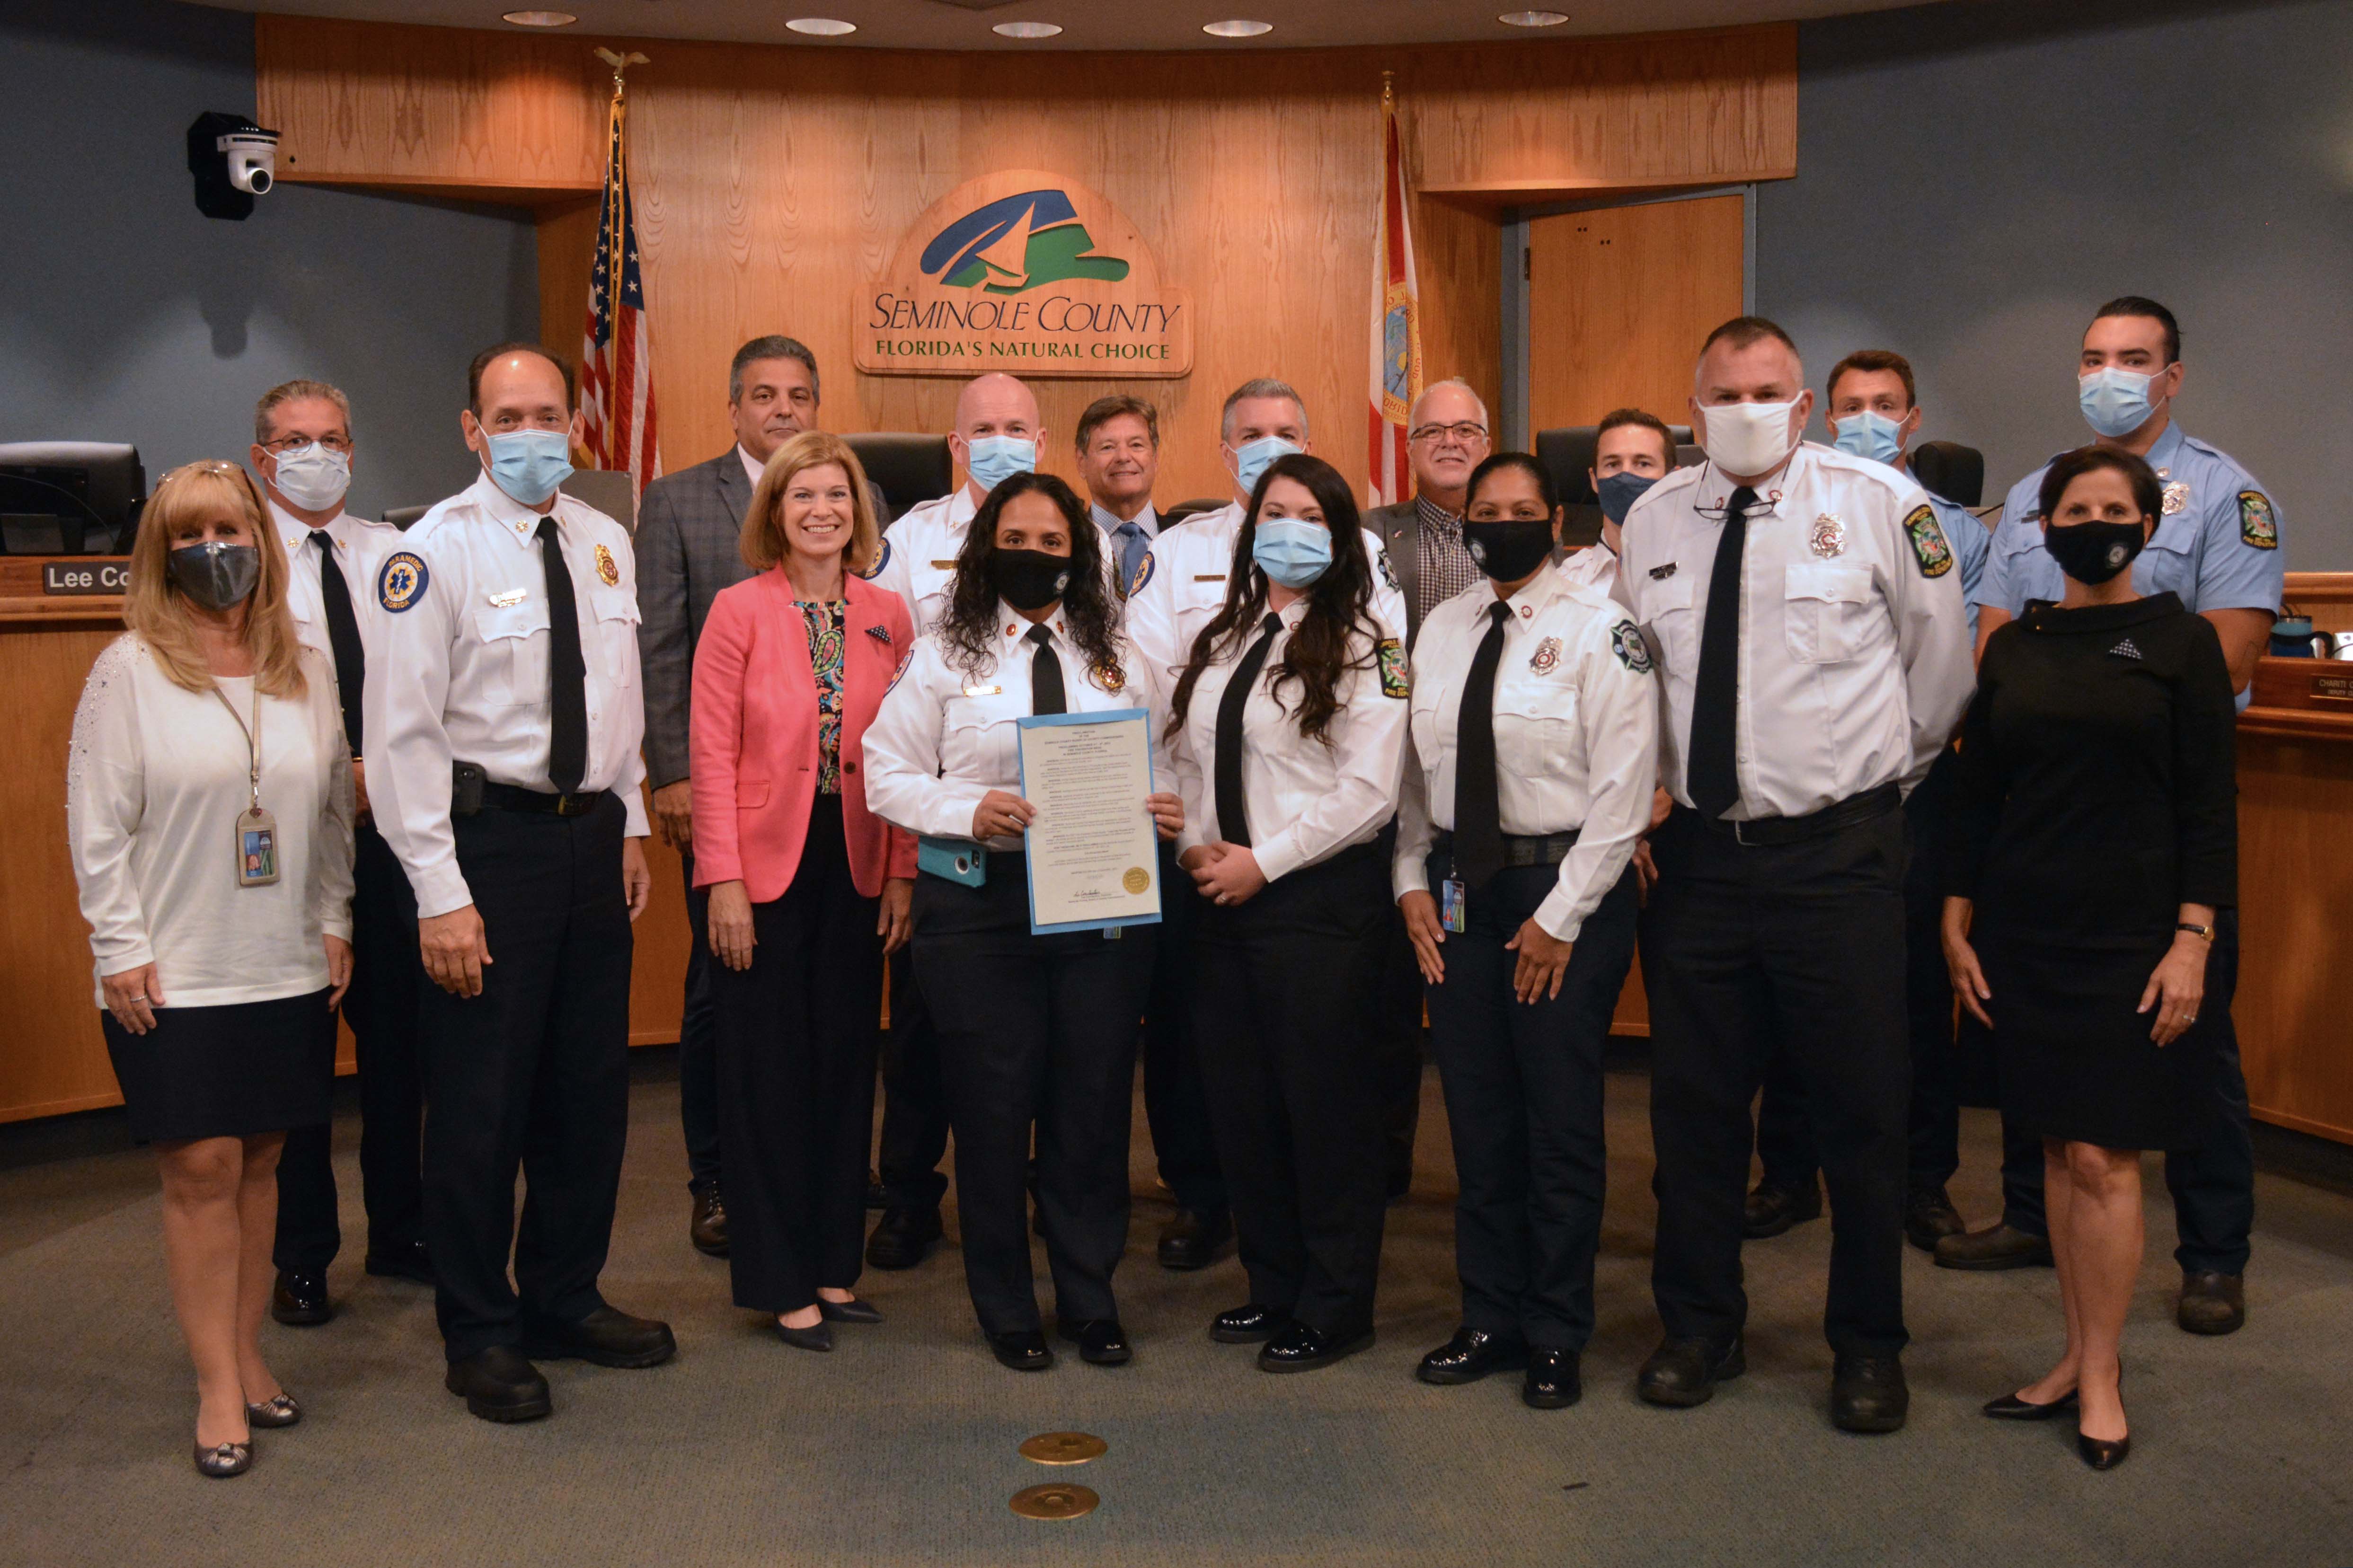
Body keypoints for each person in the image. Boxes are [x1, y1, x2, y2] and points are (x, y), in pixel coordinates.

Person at [1614, 316, 1972, 1432]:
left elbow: (1939, 677)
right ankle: (1698, 1326)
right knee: (1693, 1113)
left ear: (1804, 404)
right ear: (1692, 403)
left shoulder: (1881, 508)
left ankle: (1866, 1344)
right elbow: (1636, 682)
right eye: (1723, 393)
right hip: (1702, 865)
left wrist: (1860, 795)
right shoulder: (1653, 521)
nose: (1744, 409)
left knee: (1861, 1114)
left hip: (1837, 856)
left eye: (1766, 391)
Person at [1949, 299, 2278, 1338]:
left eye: (2132, 360)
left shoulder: (2227, 494)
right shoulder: (2029, 494)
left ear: (2171, 374)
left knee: (2190, 1047)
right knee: (2029, 1041)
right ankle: (2025, 1218)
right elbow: (1994, 651)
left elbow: (2219, 658)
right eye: (2093, 358)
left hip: (2148, 821)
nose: (2110, 375)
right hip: (2042, 821)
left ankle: (2211, 1254)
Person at [368, 343, 670, 1423]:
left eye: (549, 412)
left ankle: (564, 1296)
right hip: (485, 851)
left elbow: (619, 699)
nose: (533, 431)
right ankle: (480, 1329)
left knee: (587, 1093)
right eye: (510, 414)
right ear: (471, 429)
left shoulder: (599, 540)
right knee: (481, 1103)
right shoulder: (425, 555)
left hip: (590, 843)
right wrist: (438, 892)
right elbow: (400, 738)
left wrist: (629, 821)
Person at [1943, 446, 2237, 1471]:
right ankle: (2071, 1353)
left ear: (2146, 524)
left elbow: (2207, 804)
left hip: (2135, 937)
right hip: (2025, 933)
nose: (2095, 519)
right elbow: (1978, 797)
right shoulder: (2014, 646)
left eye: (2116, 506)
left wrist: (2193, 939)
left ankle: (2102, 1371)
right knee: (2054, 1152)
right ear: (2045, 523)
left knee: (2106, 1158)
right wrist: (1953, 914)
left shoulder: (2181, 641)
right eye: (2077, 505)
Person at [67, 460, 355, 1477]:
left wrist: (333, 919)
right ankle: (214, 1387)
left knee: (266, 1159)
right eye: (189, 534)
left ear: (261, 540)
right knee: (201, 1169)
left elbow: (327, 814)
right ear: (160, 552)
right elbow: (98, 830)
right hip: (175, 968)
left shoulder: (306, 665)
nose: (213, 550)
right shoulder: (129, 669)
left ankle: (244, 1350)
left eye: (230, 527)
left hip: (282, 960)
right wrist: (119, 946)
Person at [864, 471, 1182, 1371]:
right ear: (984, 549)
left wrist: (1172, 806)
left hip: (1102, 903)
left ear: (1078, 554)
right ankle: (1006, 1303)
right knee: (994, 1110)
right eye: (1018, 539)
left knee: (1090, 1103)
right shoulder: (946, 654)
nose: (1035, 556)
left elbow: (1177, 752)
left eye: (1053, 543)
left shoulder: (1116, 651)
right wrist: (969, 808)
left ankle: (1090, 1294)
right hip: (981, 907)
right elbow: (884, 769)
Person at [1396, 453, 1655, 1410]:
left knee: (1556, 1122)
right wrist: (1406, 883)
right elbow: (1415, 777)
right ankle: (1488, 1315)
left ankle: (1554, 1329)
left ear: (1555, 520)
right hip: (1461, 890)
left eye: (1520, 510)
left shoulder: (1602, 630)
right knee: (1476, 1114)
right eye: (1484, 511)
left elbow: (1623, 800)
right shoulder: (1443, 626)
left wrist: (1556, 920)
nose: (1500, 524)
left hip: (1566, 894)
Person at [1742, 349, 1992, 1250]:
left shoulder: (1950, 527)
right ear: (1821, 412)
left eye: (1884, 405)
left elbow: (1949, 670)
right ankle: (1788, 1171)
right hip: (1806, 800)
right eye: (1850, 406)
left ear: (1913, 417)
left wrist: (1895, 776)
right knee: (1789, 995)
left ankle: (1924, 1181)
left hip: (1907, 789)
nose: (1866, 419)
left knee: (1916, 992)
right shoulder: (1785, 507)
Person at [1166, 453, 1410, 1374]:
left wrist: (1261, 863)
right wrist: (1195, 842)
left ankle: (1336, 1304)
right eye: (1275, 511)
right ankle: (1272, 1285)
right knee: (1245, 1105)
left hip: (1314, 906)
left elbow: (1369, 794)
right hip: (1218, 900)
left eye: (1311, 514)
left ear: (1341, 535)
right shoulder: (1227, 635)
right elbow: (1185, 759)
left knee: (1324, 1112)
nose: (1290, 528)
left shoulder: (1368, 643)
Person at [636, 335, 878, 1259]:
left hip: (843, 823)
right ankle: (719, 1178)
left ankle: (824, 1182)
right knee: (721, 999)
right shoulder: (679, 499)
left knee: (828, 1013)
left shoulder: (854, 498)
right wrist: (674, 777)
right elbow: (662, 643)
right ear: (736, 407)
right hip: (722, 794)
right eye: (764, 395)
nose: (783, 409)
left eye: (799, 394)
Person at [688, 432, 916, 1352]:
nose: (821, 510)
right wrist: (724, 881)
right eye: (800, 497)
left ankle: (831, 1265)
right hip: (764, 868)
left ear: (857, 511)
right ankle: (777, 1276)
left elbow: (907, 751)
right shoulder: (737, 610)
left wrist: (902, 871)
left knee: (841, 1067)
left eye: (835, 495)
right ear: (773, 514)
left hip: (858, 860)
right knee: (766, 1077)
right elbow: (708, 754)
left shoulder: (889, 612)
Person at [242, 380, 428, 1331]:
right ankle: (302, 1255)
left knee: (401, 1049)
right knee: (300, 1059)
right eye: (295, 441)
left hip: (390, 835)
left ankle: (402, 1229)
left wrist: (383, 770)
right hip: (289, 841)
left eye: (333, 438)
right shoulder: (239, 563)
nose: (318, 454)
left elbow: (425, 681)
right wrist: (329, 773)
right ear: (262, 458)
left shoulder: (395, 555)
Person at [861, 371, 1053, 1274]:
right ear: (956, 443)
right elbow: (893, 706)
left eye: (1019, 426)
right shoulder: (909, 540)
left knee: (1043, 1040)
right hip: (938, 842)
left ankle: (1039, 1194)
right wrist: (906, 855)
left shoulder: (1069, 532)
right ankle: (908, 1196)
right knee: (926, 1038)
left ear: (1042, 443)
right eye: (986, 427)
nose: (1002, 439)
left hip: (1059, 841)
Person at [1074, 394, 1231, 1270]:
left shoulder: (1195, 549)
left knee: (1180, 1019)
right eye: (1109, 445)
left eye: (1140, 443)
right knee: (1090, 1017)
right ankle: (1068, 1185)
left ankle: (1195, 1190)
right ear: (1084, 457)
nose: (1126, 457)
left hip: (1186, 816)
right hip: (1088, 816)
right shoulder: (1054, 538)